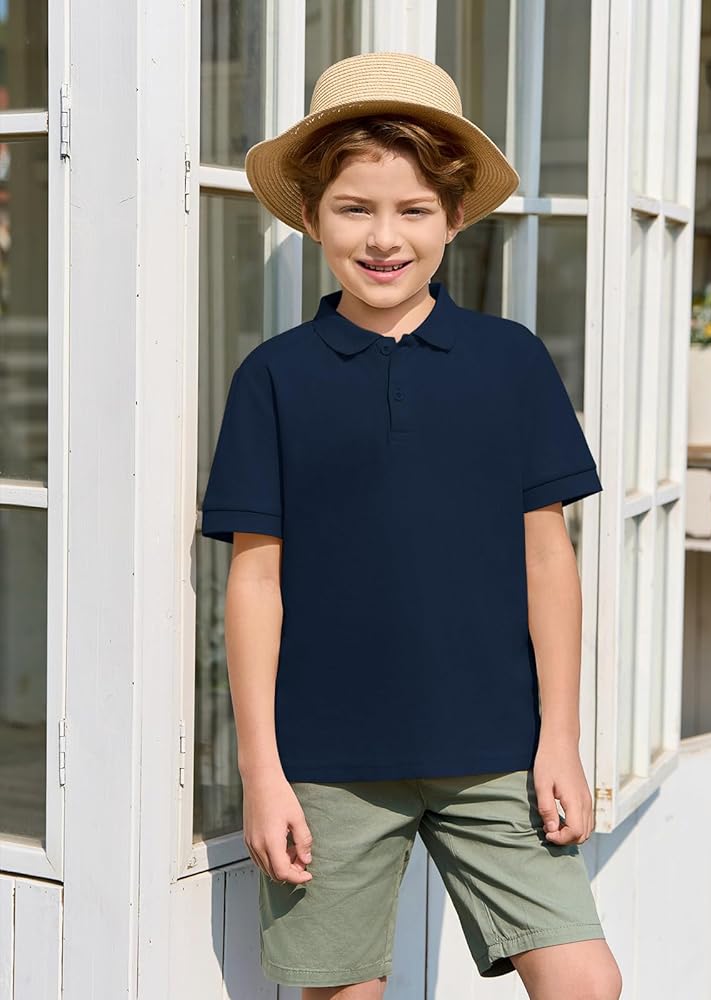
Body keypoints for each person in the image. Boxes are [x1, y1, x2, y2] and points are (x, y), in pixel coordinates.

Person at [201, 51, 623, 1000]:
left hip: (497, 751)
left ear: (455, 217)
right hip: (327, 764)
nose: (384, 238)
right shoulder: (274, 378)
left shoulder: (511, 362)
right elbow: (255, 582)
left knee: (586, 982)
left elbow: (547, 560)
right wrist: (262, 772)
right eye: (355, 208)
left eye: (414, 210)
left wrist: (559, 736)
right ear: (311, 214)